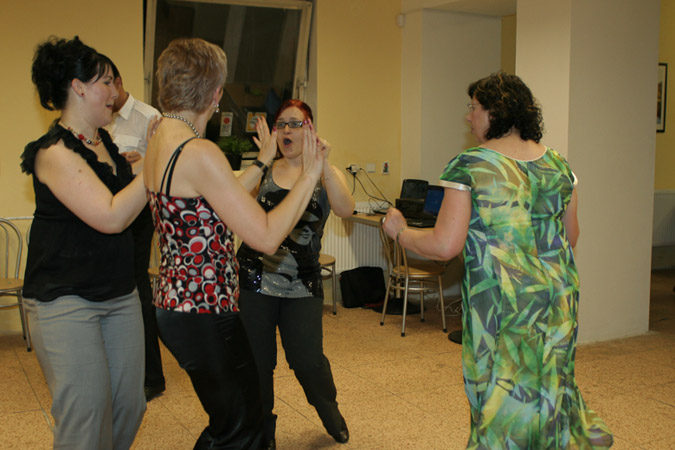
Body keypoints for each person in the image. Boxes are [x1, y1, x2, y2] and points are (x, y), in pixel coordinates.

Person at [382, 72, 613, 449]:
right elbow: (570, 238)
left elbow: (445, 245)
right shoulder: (559, 165)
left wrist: (400, 232)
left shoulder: (471, 165)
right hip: (558, 298)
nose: (468, 116)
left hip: (504, 303)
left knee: (500, 391)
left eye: (473, 107)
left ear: (496, 111)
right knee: (550, 383)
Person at [143, 38, 326, 449]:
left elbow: (216, 200)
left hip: (179, 304)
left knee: (236, 422)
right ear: (215, 93)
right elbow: (266, 235)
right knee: (241, 429)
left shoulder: (161, 139)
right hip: (202, 310)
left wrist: (261, 161)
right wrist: (311, 174)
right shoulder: (198, 150)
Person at [21, 36, 147, 449]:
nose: (115, 92)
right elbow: (111, 216)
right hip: (65, 299)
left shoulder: (105, 143)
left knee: (129, 406)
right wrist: (158, 164)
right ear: (78, 87)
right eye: (106, 82)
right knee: (87, 412)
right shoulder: (54, 153)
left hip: (119, 293)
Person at [236, 99, 355, 449]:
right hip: (254, 278)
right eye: (281, 124)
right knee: (257, 363)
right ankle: (263, 431)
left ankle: (328, 410)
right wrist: (260, 161)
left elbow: (346, 209)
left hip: (302, 283)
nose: (286, 130)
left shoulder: (325, 173)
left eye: (295, 123)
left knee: (307, 360)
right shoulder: (265, 170)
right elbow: (232, 201)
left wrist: (323, 163)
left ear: (310, 130)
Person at [102, 55, 166, 402]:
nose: (107, 95)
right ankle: (121, 369)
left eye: (108, 85)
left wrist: (137, 165)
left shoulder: (148, 116)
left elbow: (162, 166)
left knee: (138, 286)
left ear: (119, 82)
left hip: (139, 213)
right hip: (107, 209)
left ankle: (152, 377)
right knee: (117, 286)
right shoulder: (100, 119)